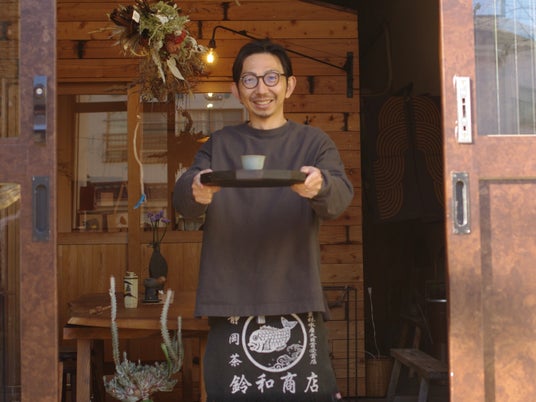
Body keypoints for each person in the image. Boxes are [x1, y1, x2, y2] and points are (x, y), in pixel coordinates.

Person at [174, 39, 353, 401]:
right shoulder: (219, 144)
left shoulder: (313, 143)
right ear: (236, 90)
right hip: (230, 297)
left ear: (289, 84)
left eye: (271, 77)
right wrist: (196, 191)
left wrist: (320, 186)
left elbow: (339, 198)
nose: (261, 89)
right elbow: (184, 198)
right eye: (250, 79)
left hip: (296, 294)